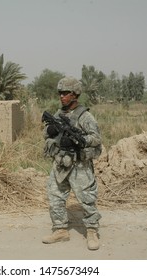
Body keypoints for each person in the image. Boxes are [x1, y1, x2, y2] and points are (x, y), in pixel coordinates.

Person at [42, 76, 102, 250]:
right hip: (60, 164)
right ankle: (60, 230)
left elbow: (96, 138)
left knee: (87, 199)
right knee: (55, 197)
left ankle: (92, 231)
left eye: (66, 93)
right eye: (60, 93)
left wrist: (77, 141)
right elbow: (46, 134)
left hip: (79, 166)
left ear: (75, 94)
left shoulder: (85, 116)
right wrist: (50, 130)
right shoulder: (58, 114)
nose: (62, 96)